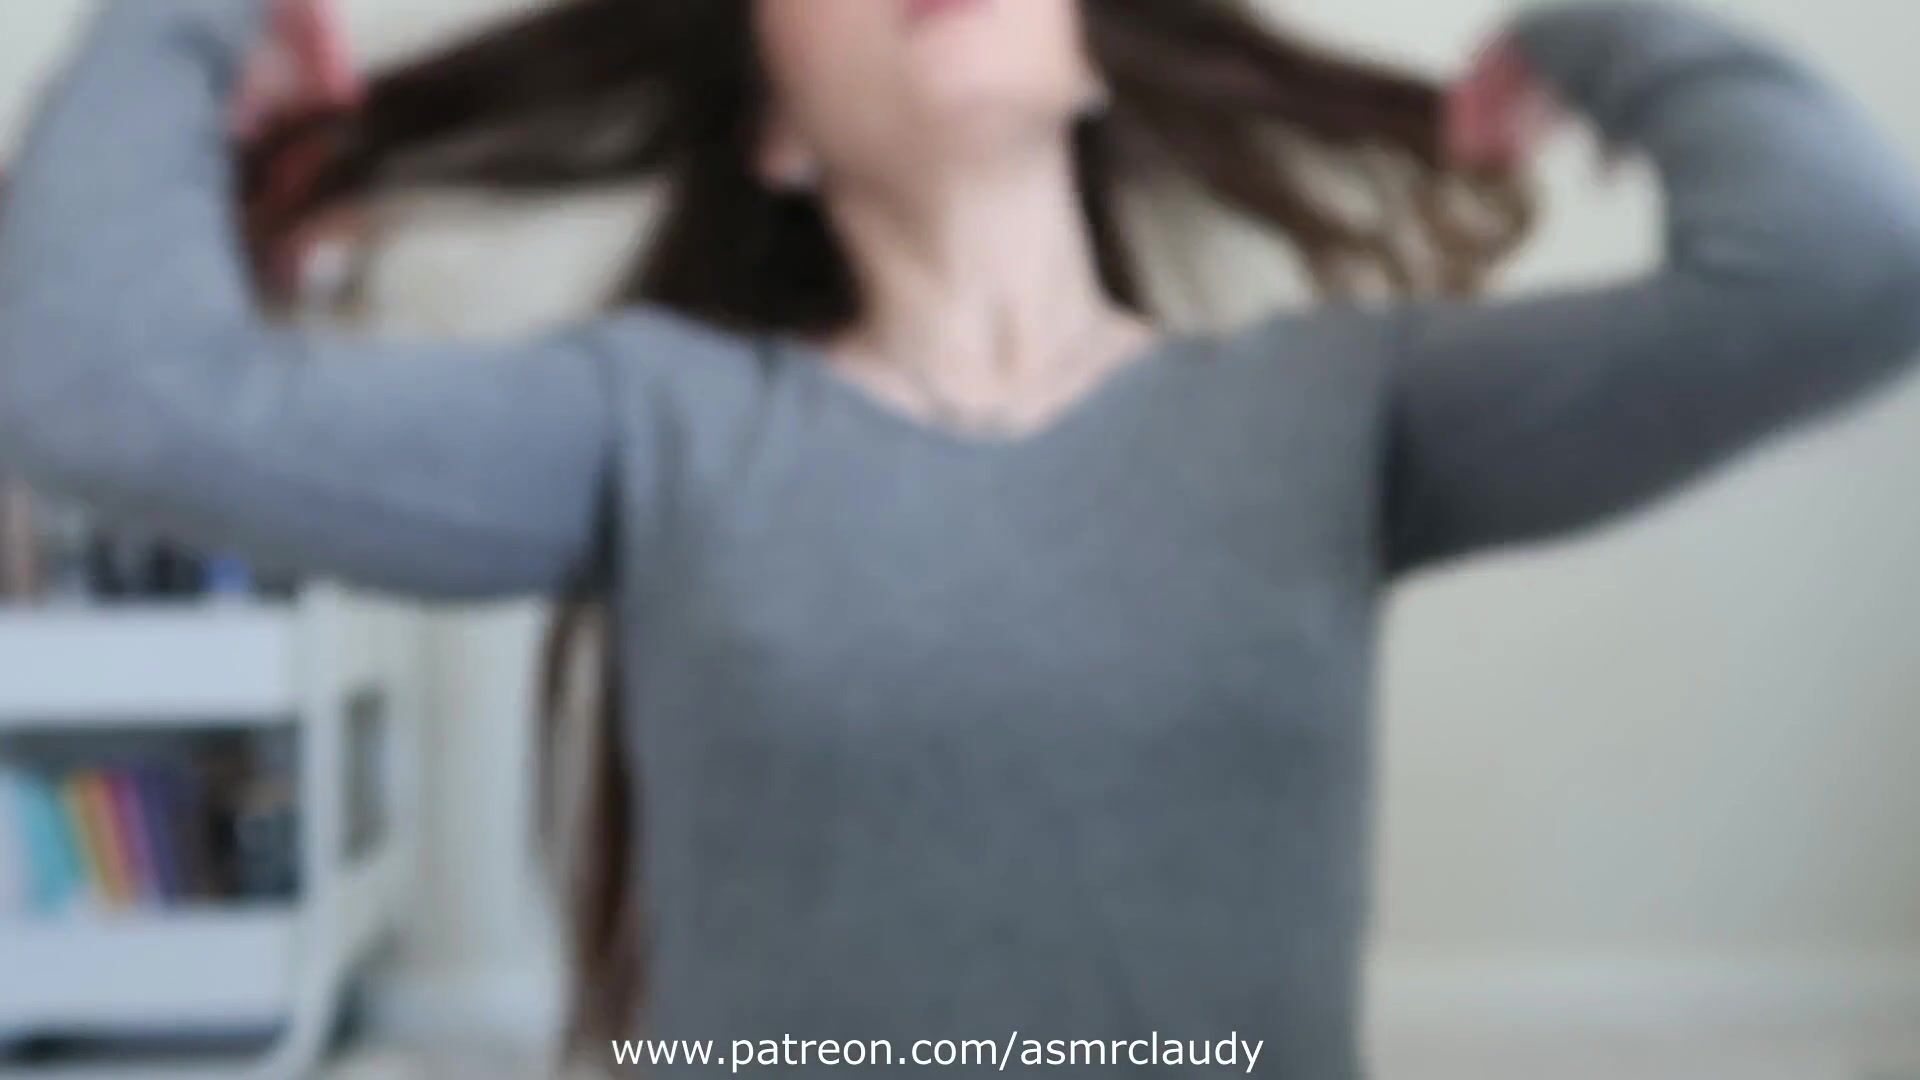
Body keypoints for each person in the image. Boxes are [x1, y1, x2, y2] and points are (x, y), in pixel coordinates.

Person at [4, 0, 1920, 1074]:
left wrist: (1595, 37)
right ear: (771, 126)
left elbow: (1849, 269)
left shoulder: (1340, 409)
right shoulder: (655, 423)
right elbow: (94, 389)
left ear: (1092, 54)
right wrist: (195, 19)